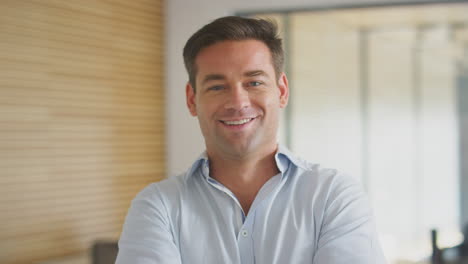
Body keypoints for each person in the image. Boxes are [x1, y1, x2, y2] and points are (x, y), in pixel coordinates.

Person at [115, 16, 387, 264]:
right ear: (191, 99)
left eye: (254, 83)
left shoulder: (333, 197)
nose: (237, 102)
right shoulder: (157, 207)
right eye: (217, 86)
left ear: (281, 91)